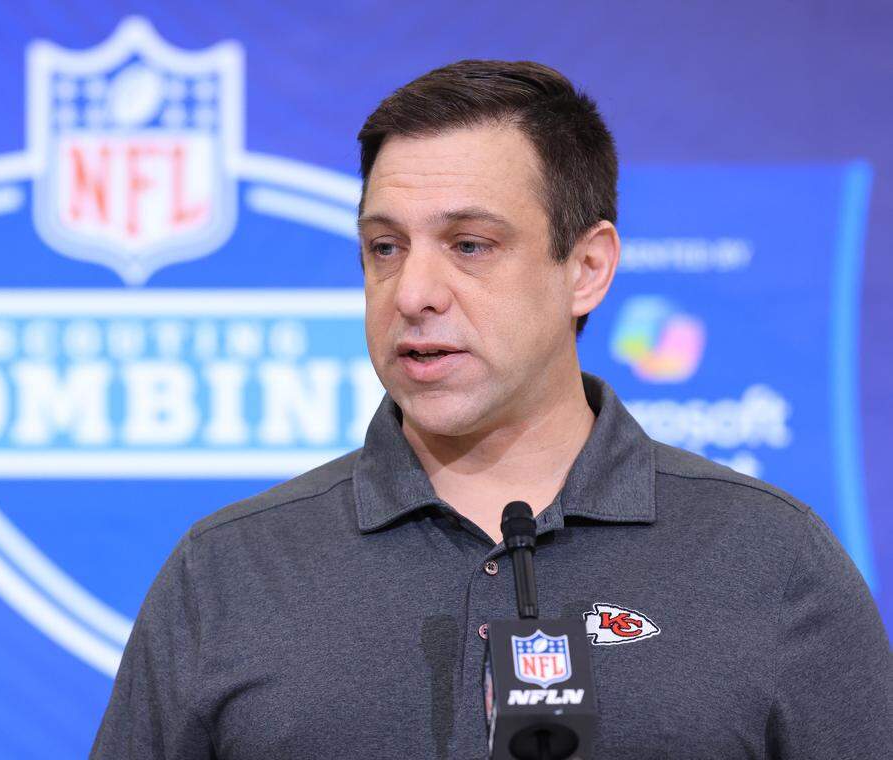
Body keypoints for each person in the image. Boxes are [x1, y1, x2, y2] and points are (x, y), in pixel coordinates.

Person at [91, 60, 891, 759]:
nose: (412, 292)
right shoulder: (227, 571)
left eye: (470, 244)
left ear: (586, 268)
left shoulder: (771, 559)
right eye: (385, 247)